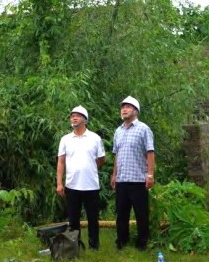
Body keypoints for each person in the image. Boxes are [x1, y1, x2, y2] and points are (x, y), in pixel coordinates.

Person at [56, 105, 106, 251]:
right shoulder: (65, 139)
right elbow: (61, 162)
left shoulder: (95, 138)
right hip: (72, 185)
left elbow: (102, 159)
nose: (74, 118)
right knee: (73, 219)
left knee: (93, 218)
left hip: (91, 185)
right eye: (72, 116)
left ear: (85, 119)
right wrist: (59, 183)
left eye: (77, 115)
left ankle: (94, 246)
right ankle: (74, 246)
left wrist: (90, 168)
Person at [110, 95, 155, 251]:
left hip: (138, 179)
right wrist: (114, 175)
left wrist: (150, 175)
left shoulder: (143, 129)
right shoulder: (118, 131)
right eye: (123, 107)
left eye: (128, 107)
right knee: (121, 214)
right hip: (122, 179)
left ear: (135, 110)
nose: (124, 110)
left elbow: (150, 152)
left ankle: (142, 243)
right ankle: (122, 241)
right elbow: (116, 154)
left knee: (141, 214)